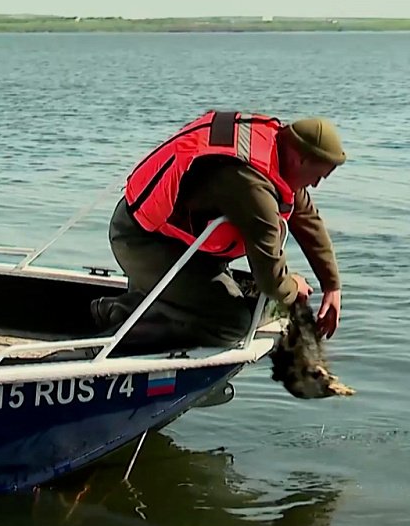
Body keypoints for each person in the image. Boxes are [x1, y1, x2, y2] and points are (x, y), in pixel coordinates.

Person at [90, 110, 345, 351]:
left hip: (179, 244)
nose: (315, 185)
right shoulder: (251, 186)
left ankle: (122, 309)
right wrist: (293, 286)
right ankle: (106, 342)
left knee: (248, 303)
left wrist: (332, 286)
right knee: (233, 324)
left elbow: (307, 217)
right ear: (301, 158)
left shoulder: (275, 150)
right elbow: (270, 280)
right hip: (142, 240)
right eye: (319, 176)